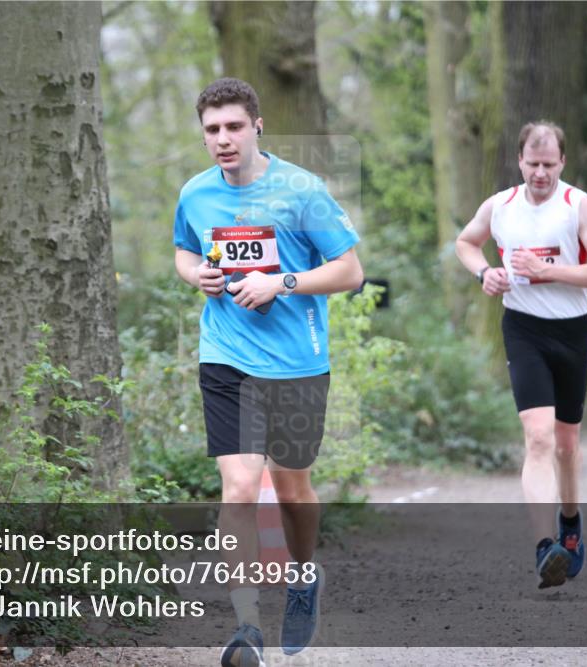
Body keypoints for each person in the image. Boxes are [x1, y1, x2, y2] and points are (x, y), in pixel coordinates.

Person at [173, 77, 363, 665]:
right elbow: (184, 248)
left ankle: (304, 576)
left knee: (292, 485)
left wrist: (280, 282)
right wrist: (195, 276)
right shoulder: (196, 195)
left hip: (297, 362)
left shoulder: (301, 191)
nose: (223, 139)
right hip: (226, 357)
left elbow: (350, 271)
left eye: (233, 127)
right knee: (237, 486)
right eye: (212, 130)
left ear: (257, 127)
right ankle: (246, 624)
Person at [455, 121, 587, 589]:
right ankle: (546, 547)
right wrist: (484, 272)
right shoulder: (500, 206)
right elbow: (466, 242)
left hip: (572, 332)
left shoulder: (578, 205)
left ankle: (569, 522)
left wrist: (550, 269)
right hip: (523, 329)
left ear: (562, 163)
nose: (540, 173)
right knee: (539, 438)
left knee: (566, 445)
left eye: (549, 164)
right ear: (519, 160)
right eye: (532, 163)